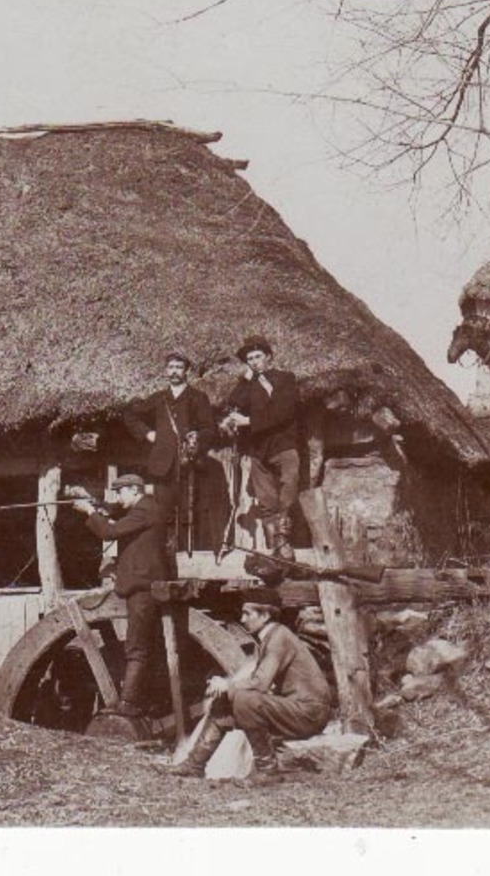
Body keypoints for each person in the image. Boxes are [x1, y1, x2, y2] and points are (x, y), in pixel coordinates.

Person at [168, 587, 333, 781]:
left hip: (309, 713)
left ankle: (267, 771)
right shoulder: (270, 637)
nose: (243, 618)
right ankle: (194, 765)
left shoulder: (279, 637)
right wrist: (228, 688)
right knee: (225, 704)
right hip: (298, 709)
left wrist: (227, 685)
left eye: (248, 613)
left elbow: (260, 684)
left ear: (264, 616)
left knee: (246, 700)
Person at [71, 474, 172, 720]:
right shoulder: (147, 509)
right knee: (145, 646)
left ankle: (128, 704)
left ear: (135, 490)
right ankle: (144, 703)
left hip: (142, 588)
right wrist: (95, 506)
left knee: (137, 648)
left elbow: (110, 532)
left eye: (121, 492)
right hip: (144, 586)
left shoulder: (145, 510)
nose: (117, 498)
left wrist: (89, 512)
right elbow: (117, 520)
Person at [123, 351, 216, 554]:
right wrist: (147, 434)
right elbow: (130, 414)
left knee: (189, 513)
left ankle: (188, 556)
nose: (174, 372)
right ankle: (162, 558)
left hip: (188, 466)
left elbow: (210, 429)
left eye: (179, 368)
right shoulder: (158, 399)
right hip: (161, 467)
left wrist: (196, 437)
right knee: (161, 513)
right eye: (171, 367)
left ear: (187, 371)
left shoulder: (198, 398)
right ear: (166, 371)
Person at [220, 334, 302, 555]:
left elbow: (283, 412)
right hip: (258, 449)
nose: (254, 362)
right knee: (266, 500)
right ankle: (275, 548)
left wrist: (249, 421)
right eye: (250, 359)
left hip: (283, 444)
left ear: (269, 357)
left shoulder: (286, 379)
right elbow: (233, 404)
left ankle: (284, 540)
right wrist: (245, 381)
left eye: (258, 356)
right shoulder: (248, 385)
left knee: (289, 487)